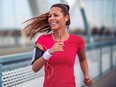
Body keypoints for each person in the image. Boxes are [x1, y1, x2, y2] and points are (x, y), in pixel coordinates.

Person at [22, 3, 92, 87]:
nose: (51, 18)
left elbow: (83, 60)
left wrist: (86, 75)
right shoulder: (42, 39)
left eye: (55, 15)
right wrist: (49, 53)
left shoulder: (77, 41)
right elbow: (35, 68)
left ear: (66, 18)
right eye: (49, 16)